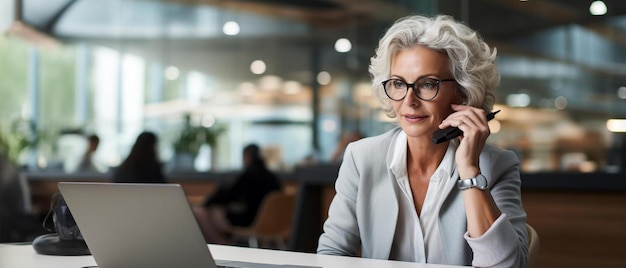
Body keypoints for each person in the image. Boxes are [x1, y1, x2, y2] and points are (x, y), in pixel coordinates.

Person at [317, 15, 528, 267]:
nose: (409, 101)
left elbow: (508, 265)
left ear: (463, 90)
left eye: (427, 84)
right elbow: (332, 254)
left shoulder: (496, 165)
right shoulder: (362, 157)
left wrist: (470, 171)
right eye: (398, 84)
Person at [193, 144, 282, 244]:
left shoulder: (249, 175)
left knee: (205, 212)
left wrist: (207, 202)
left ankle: (224, 245)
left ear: (246, 157)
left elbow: (226, 195)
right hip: (273, 224)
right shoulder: (273, 177)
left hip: (251, 220)